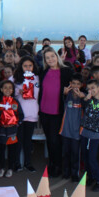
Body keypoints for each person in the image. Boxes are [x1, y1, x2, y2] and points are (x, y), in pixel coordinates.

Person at [38, 47, 73, 177]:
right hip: (44, 111)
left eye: (52, 56)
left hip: (58, 112)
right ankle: (52, 163)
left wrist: (65, 94)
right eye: (47, 58)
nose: (50, 59)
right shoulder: (43, 71)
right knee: (49, 139)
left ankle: (58, 166)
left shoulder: (66, 71)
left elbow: (74, 87)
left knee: (55, 140)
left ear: (56, 56)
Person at [12, 56, 40, 172]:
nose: (28, 68)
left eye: (30, 65)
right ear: (21, 67)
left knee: (28, 140)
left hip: (32, 113)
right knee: (18, 139)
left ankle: (28, 162)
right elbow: (6, 91)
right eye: (25, 66)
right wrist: (17, 91)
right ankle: (17, 163)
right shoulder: (14, 78)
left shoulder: (37, 78)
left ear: (33, 66)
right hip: (19, 114)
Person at [80, 79, 99, 192]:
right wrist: (86, 98)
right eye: (89, 88)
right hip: (85, 132)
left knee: (92, 158)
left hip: (96, 134)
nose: (91, 90)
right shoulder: (87, 100)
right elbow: (83, 106)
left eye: (93, 88)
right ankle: (90, 177)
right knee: (85, 157)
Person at [0, 80, 23, 178]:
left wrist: (17, 124)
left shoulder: (15, 102)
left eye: (10, 88)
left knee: (12, 150)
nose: (8, 89)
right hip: (1, 131)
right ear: (1, 89)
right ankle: (1, 167)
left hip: (12, 131)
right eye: (5, 87)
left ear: (13, 90)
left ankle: (10, 168)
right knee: (1, 150)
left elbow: (21, 115)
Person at [60, 74, 84, 182]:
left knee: (75, 153)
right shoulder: (66, 94)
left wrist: (84, 98)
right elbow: (60, 105)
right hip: (65, 130)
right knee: (65, 152)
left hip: (77, 131)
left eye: (78, 84)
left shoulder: (84, 96)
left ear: (81, 85)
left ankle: (75, 174)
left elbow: (88, 107)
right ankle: (65, 172)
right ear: (70, 84)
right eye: (73, 83)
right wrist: (63, 95)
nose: (75, 86)